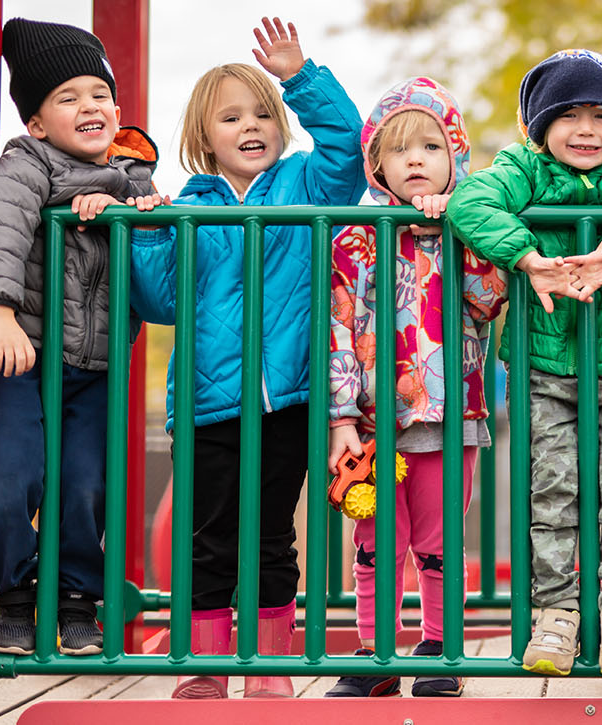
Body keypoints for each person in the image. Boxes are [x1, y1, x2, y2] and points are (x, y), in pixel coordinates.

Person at [127, 17, 365, 699]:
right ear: (205, 138)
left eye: (263, 112)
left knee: (268, 538)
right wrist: (148, 232)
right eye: (232, 117)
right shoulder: (187, 206)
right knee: (209, 537)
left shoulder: (304, 186)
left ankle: (266, 669)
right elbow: (159, 299)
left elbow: (349, 146)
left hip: (286, 398)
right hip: (207, 404)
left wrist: (301, 79)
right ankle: (203, 667)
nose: (252, 125)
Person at [447, 49, 602, 677]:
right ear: (539, 127)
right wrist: (529, 259)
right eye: (569, 115)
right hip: (542, 365)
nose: (587, 130)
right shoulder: (522, 167)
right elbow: (469, 204)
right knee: (552, 491)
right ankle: (555, 613)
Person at [0, 17, 159, 659]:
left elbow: (155, 229)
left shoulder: (133, 176)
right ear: (36, 122)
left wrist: (127, 203)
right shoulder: (24, 165)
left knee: (86, 485)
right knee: (11, 476)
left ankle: (78, 600)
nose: (90, 107)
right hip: (28, 356)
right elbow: (1, 228)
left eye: (99, 94)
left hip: (98, 364)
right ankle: (16, 596)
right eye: (68, 98)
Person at [323, 76, 506, 699]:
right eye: (400, 151)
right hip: (375, 425)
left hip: (451, 415)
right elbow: (338, 331)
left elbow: (489, 302)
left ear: (454, 156)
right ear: (378, 166)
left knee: (437, 541)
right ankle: (376, 653)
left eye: (430, 147)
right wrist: (341, 419)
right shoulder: (356, 238)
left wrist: (467, 230)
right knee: (376, 540)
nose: (416, 160)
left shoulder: (466, 231)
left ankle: (438, 648)